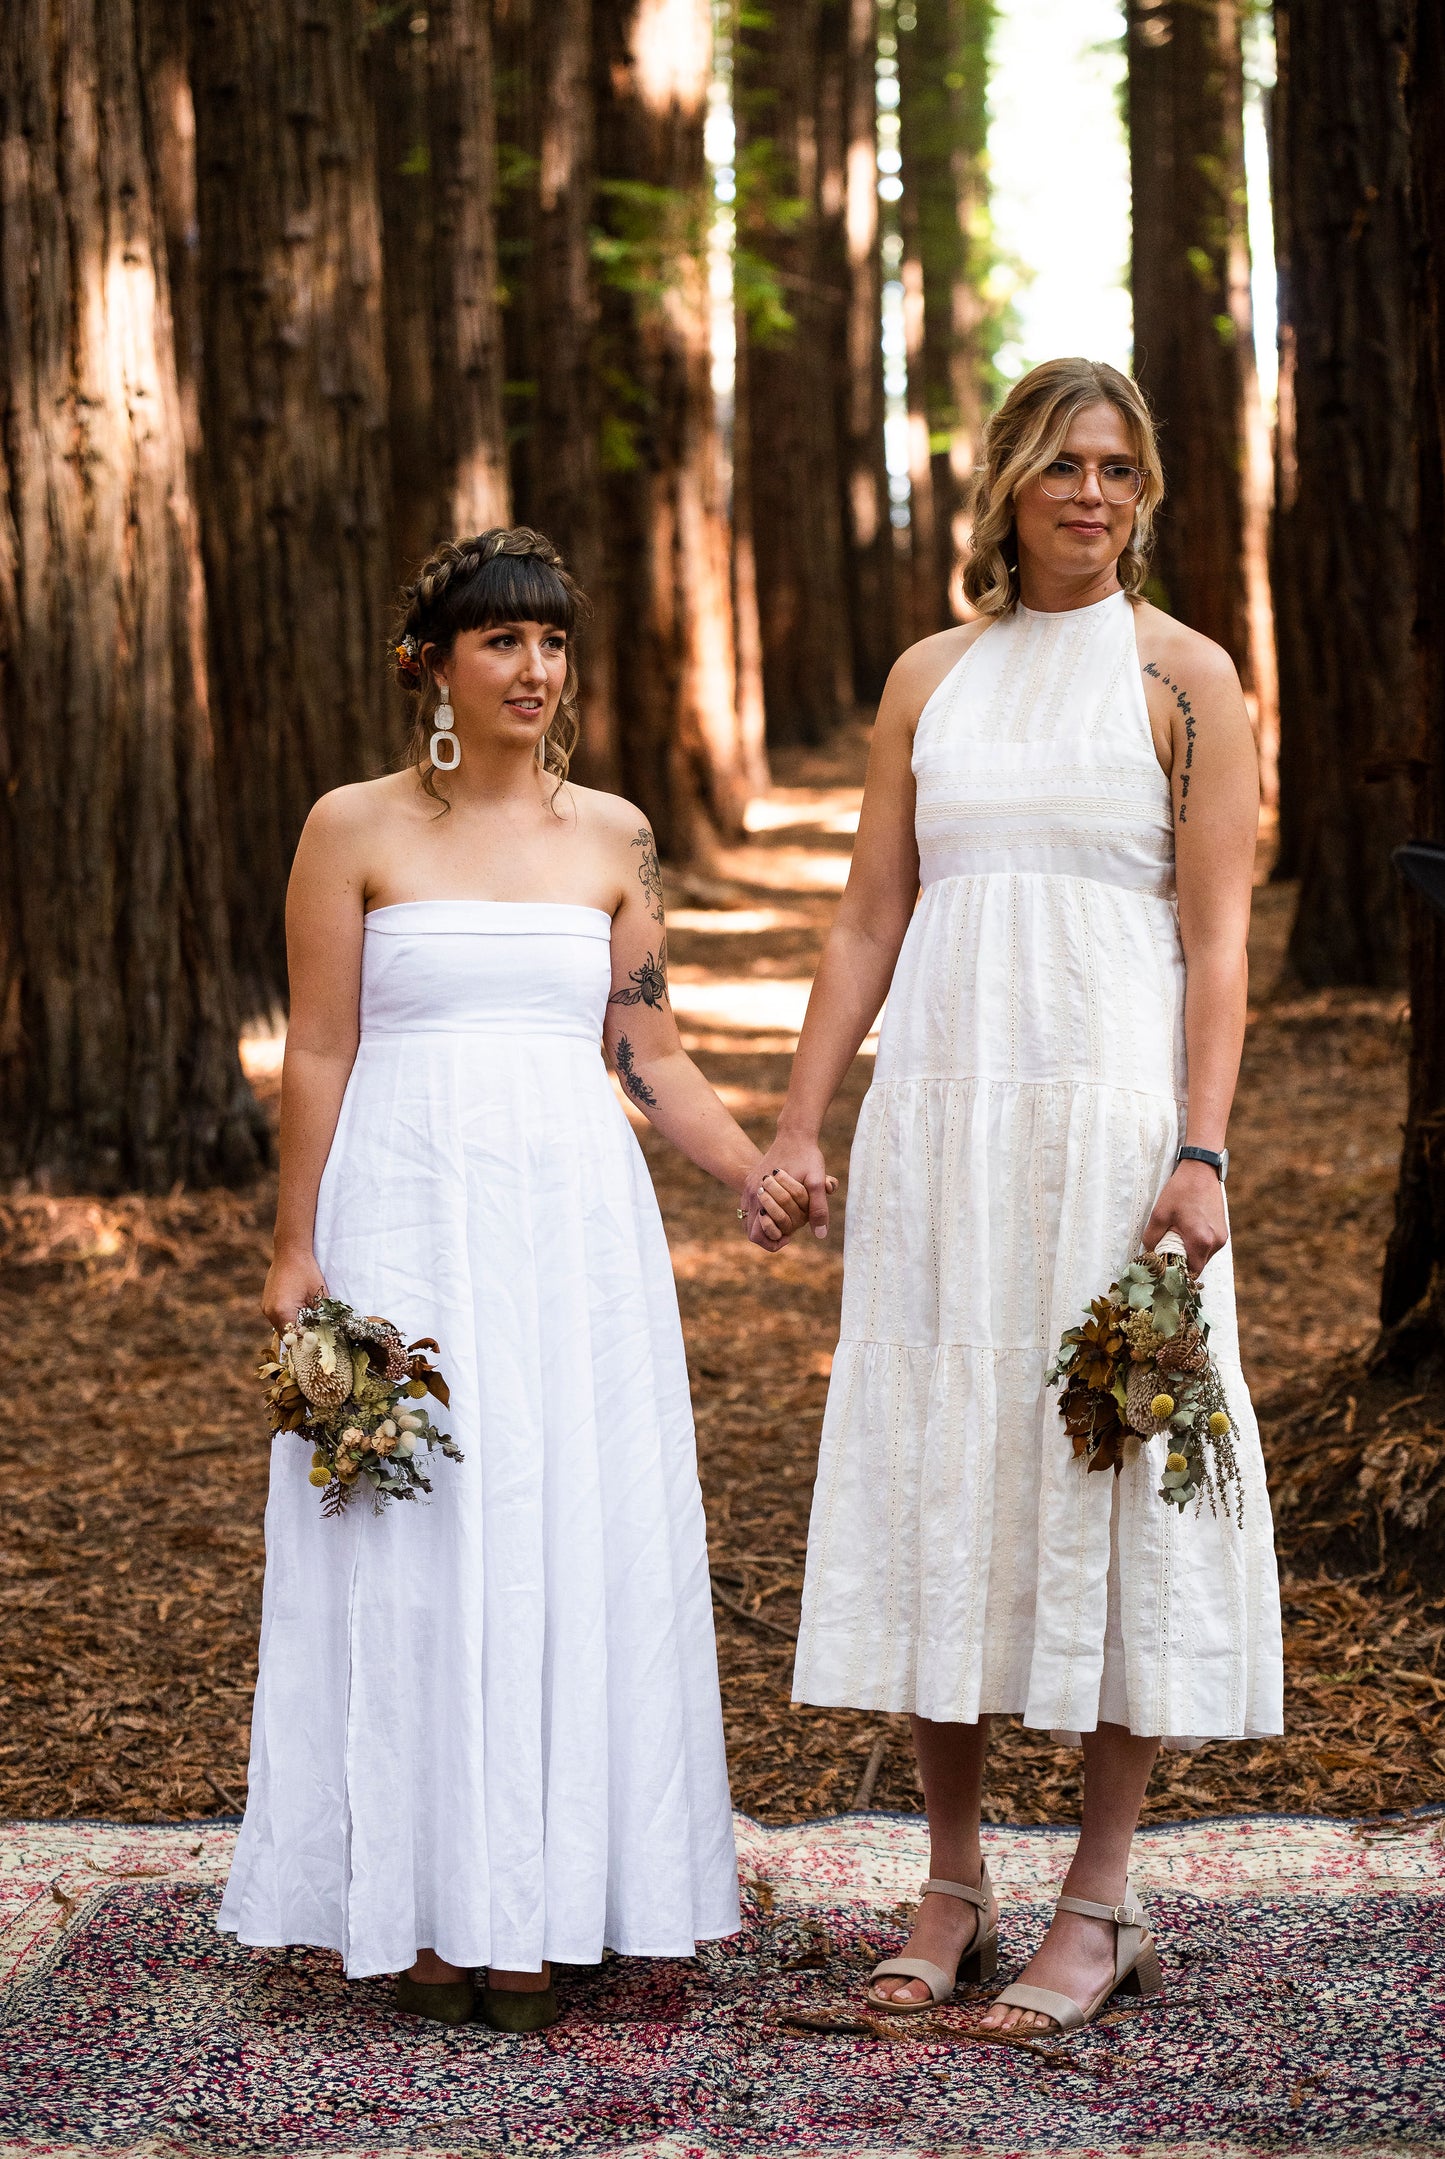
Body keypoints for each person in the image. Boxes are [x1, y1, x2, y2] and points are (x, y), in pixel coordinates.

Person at [741, 359, 1283, 2034]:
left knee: (1106, 1476)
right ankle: (952, 1884)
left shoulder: (1185, 680)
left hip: (1111, 1134)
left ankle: (1098, 1902)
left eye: (1118, 469)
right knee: (945, 1473)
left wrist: (1198, 1150)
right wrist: (800, 1124)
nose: (1091, 496)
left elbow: (1215, 949)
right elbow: (863, 919)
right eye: (1061, 466)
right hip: (945, 1131)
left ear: (1148, 493)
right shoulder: (930, 678)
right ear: (1007, 485)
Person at [219, 527, 808, 2029]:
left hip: (569, 1228)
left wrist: (748, 1169)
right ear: (435, 663)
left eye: (550, 643)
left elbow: (647, 1049)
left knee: (567, 1529)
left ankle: (556, 1896)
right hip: (404, 1208)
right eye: (500, 642)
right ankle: (425, 1907)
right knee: (421, 1539)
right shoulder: (350, 827)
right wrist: (296, 1248)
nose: (533, 669)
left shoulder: (611, 835)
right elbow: (325, 1047)